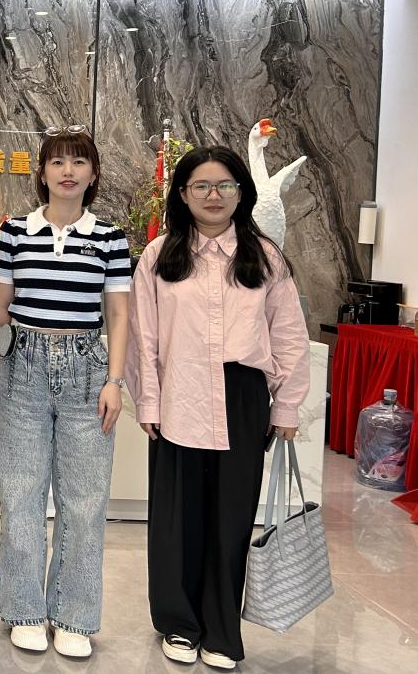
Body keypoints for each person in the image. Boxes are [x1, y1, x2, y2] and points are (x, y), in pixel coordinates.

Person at [125, 145, 310, 670]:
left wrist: (286, 408)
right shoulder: (159, 256)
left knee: (232, 519)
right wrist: (148, 400)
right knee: (177, 518)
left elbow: (289, 336)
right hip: (179, 392)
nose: (213, 195)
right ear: (183, 194)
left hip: (242, 396)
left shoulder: (265, 256)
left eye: (225, 185)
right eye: (201, 186)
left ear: (241, 193)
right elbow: (143, 337)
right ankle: (180, 624)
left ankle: (222, 631)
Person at [0, 126, 131, 659]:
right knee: (21, 495)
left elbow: (118, 313)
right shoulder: (15, 231)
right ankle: (24, 610)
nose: (68, 171)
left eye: (79, 162)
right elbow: (1, 307)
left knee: (85, 500)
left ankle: (73, 616)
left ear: (93, 174)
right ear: (42, 172)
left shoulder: (110, 237)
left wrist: (115, 381)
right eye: (57, 162)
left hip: (87, 369)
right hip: (21, 364)